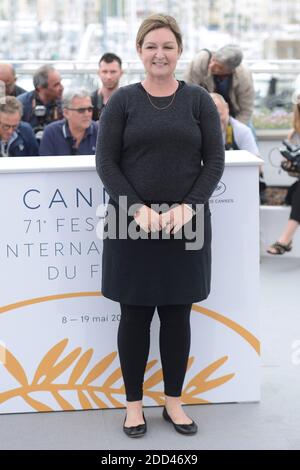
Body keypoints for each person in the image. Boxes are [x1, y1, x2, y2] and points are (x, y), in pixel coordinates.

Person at [96, 14, 224, 438]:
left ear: (179, 51)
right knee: (133, 317)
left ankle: (173, 402)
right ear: (139, 51)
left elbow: (215, 162)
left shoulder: (199, 101)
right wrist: (136, 209)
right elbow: (106, 163)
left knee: (177, 316)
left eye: (168, 46)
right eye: (151, 46)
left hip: (184, 225)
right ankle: (134, 406)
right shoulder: (123, 101)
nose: (160, 54)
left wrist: (188, 207)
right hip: (131, 223)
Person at [185, 45, 254, 125]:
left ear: (230, 71)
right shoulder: (201, 60)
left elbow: (246, 110)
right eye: (212, 60)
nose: (211, 66)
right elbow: (188, 94)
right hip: (202, 113)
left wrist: (231, 129)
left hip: (232, 116)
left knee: (247, 133)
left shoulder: (244, 76)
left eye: (219, 67)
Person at [267, 101, 300, 254]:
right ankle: (286, 239)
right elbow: (294, 172)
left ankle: (285, 239)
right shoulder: (294, 134)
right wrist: (290, 165)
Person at [39, 89, 98, 156]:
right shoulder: (51, 133)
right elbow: (46, 164)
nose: (87, 114)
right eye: (81, 110)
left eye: (90, 109)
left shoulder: (100, 132)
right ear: (66, 113)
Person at [17, 65, 64, 141]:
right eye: (56, 85)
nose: (62, 88)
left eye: (60, 82)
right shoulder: (21, 104)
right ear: (40, 88)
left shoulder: (66, 105)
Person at [91, 53, 123, 121]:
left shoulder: (128, 101)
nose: (109, 77)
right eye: (104, 72)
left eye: (113, 72)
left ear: (121, 73)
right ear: (98, 73)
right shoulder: (90, 101)